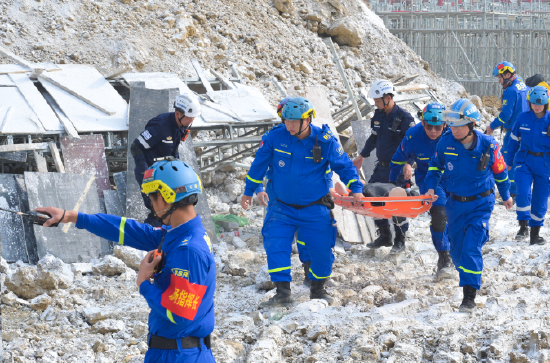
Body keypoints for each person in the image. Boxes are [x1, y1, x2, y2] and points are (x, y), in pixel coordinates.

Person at [36, 159, 216, 362]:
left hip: (179, 355)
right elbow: (127, 230)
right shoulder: (179, 234)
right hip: (174, 351)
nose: (152, 205)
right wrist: (71, 216)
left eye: (152, 198)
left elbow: (180, 315)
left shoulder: (188, 250)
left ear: (166, 198)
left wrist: (143, 283)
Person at [241, 97, 363, 308]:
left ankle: (317, 289)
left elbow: (344, 166)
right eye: (286, 120)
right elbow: (259, 165)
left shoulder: (325, 141)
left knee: (322, 252)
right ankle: (282, 293)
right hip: (281, 207)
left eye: (293, 121)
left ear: (307, 120)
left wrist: (357, 189)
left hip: (314, 208)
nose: (288, 125)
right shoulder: (274, 137)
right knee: (275, 246)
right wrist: (249, 191)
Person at [424, 99, 513, 313]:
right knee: (456, 251)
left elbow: (500, 172)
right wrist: (429, 188)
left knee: (471, 246)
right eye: (451, 126)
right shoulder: (445, 143)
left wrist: (507, 195)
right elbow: (434, 168)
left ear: (471, 124)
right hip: (455, 204)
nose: (454, 130)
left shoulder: (489, 145)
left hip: (481, 203)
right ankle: (465, 274)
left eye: (459, 125)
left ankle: (469, 296)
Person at [389, 103, 453, 280]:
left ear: (445, 126)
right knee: (439, 213)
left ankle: (456, 251)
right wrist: (392, 182)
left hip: (454, 177)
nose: (433, 131)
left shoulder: (454, 135)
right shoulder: (413, 135)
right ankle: (444, 257)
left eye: (437, 127)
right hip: (428, 178)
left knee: (456, 216)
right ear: (422, 123)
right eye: (428, 126)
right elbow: (398, 159)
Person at [352, 80, 416, 254]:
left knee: (397, 203)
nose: (375, 103)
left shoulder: (405, 118)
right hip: (381, 167)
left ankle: (400, 239)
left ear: (388, 98)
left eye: (378, 100)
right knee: (370, 196)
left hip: (398, 170)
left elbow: (414, 144)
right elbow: (373, 138)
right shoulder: (378, 115)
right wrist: (361, 156)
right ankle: (385, 235)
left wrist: (409, 164)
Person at [130, 92, 202, 226]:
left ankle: (169, 238)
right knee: (158, 211)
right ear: (178, 114)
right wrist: (145, 173)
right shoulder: (160, 126)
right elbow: (136, 147)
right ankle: (151, 240)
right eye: (189, 118)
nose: (191, 121)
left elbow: (173, 149)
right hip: (150, 173)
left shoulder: (181, 126)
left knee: (176, 205)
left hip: (166, 172)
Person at [506, 86, 550, 245]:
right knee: (523, 193)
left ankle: (535, 233)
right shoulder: (522, 118)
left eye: (541, 103)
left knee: (541, 198)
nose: (537, 106)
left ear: (546, 104)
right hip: (524, 161)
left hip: (545, 164)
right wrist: (509, 161)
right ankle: (523, 226)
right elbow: (513, 141)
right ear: (529, 103)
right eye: (534, 103)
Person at [485, 62, 529, 200]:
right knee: (519, 160)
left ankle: (512, 193)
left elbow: (506, 115)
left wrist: (491, 126)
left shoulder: (510, 91)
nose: (499, 81)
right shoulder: (522, 85)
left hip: (514, 132)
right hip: (525, 129)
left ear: (508, 74)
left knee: (508, 161)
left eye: (500, 77)